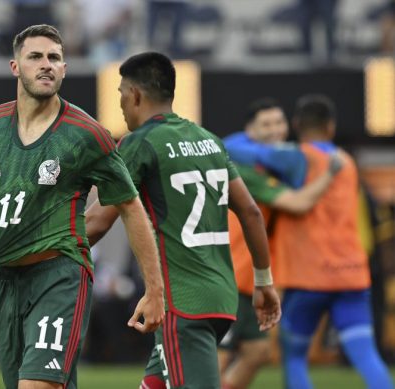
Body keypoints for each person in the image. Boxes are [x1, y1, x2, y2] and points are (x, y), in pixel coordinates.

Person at [0, 24, 164, 389]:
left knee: (36, 386)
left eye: (54, 58)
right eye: (35, 57)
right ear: (15, 67)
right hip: (5, 281)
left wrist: (155, 291)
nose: (46, 65)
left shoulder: (86, 134)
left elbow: (130, 207)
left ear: (64, 69)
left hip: (59, 275)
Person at [84, 52, 281, 389]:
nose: (119, 103)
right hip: (221, 297)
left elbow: (99, 220)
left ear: (135, 95)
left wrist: (44, 251)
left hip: (181, 302)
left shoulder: (140, 143)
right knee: (155, 385)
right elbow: (250, 212)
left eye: (120, 93)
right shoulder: (209, 141)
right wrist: (264, 281)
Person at [225, 95, 394, 389]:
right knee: (366, 355)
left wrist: (256, 137)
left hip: (309, 275)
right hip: (352, 273)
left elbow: (231, 149)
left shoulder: (297, 157)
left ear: (296, 125)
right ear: (331, 127)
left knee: (294, 357)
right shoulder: (348, 162)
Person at [218, 98, 343, 389]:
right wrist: (330, 174)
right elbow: (298, 204)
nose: (275, 129)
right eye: (266, 124)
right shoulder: (247, 170)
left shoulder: (272, 166)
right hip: (231, 275)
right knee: (216, 359)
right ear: (251, 131)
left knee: (258, 352)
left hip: (250, 279)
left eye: (279, 122)